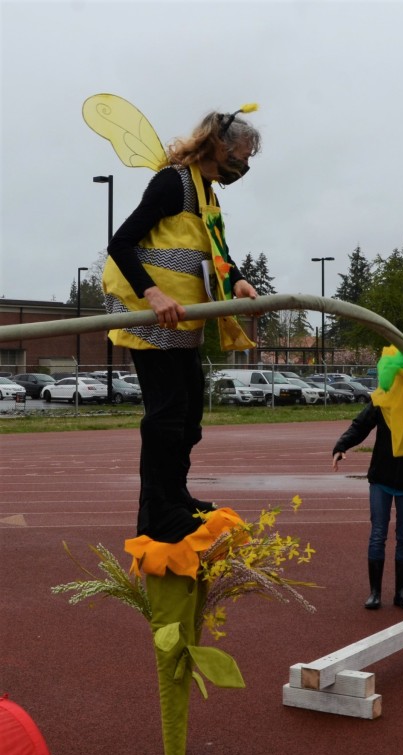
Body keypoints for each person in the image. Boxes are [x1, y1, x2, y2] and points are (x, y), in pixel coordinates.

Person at [103, 108, 261, 544]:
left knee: (189, 417)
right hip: (153, 322)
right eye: (241, 156)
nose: (243, 167)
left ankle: (176, 497)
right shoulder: (173, 183)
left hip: (185, 325)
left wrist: (241, 280)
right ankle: (157, 514)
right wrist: (153, 294)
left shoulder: (207, 192)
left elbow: (218, 252)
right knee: (166, 415)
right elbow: (121, 242)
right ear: (217, 145)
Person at [332, 403, 403, 611]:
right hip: (381, 478)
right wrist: (341, 446)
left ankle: (401, 593)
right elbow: (360, 426)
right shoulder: (383, 400)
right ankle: (375, 593)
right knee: (377, 534)